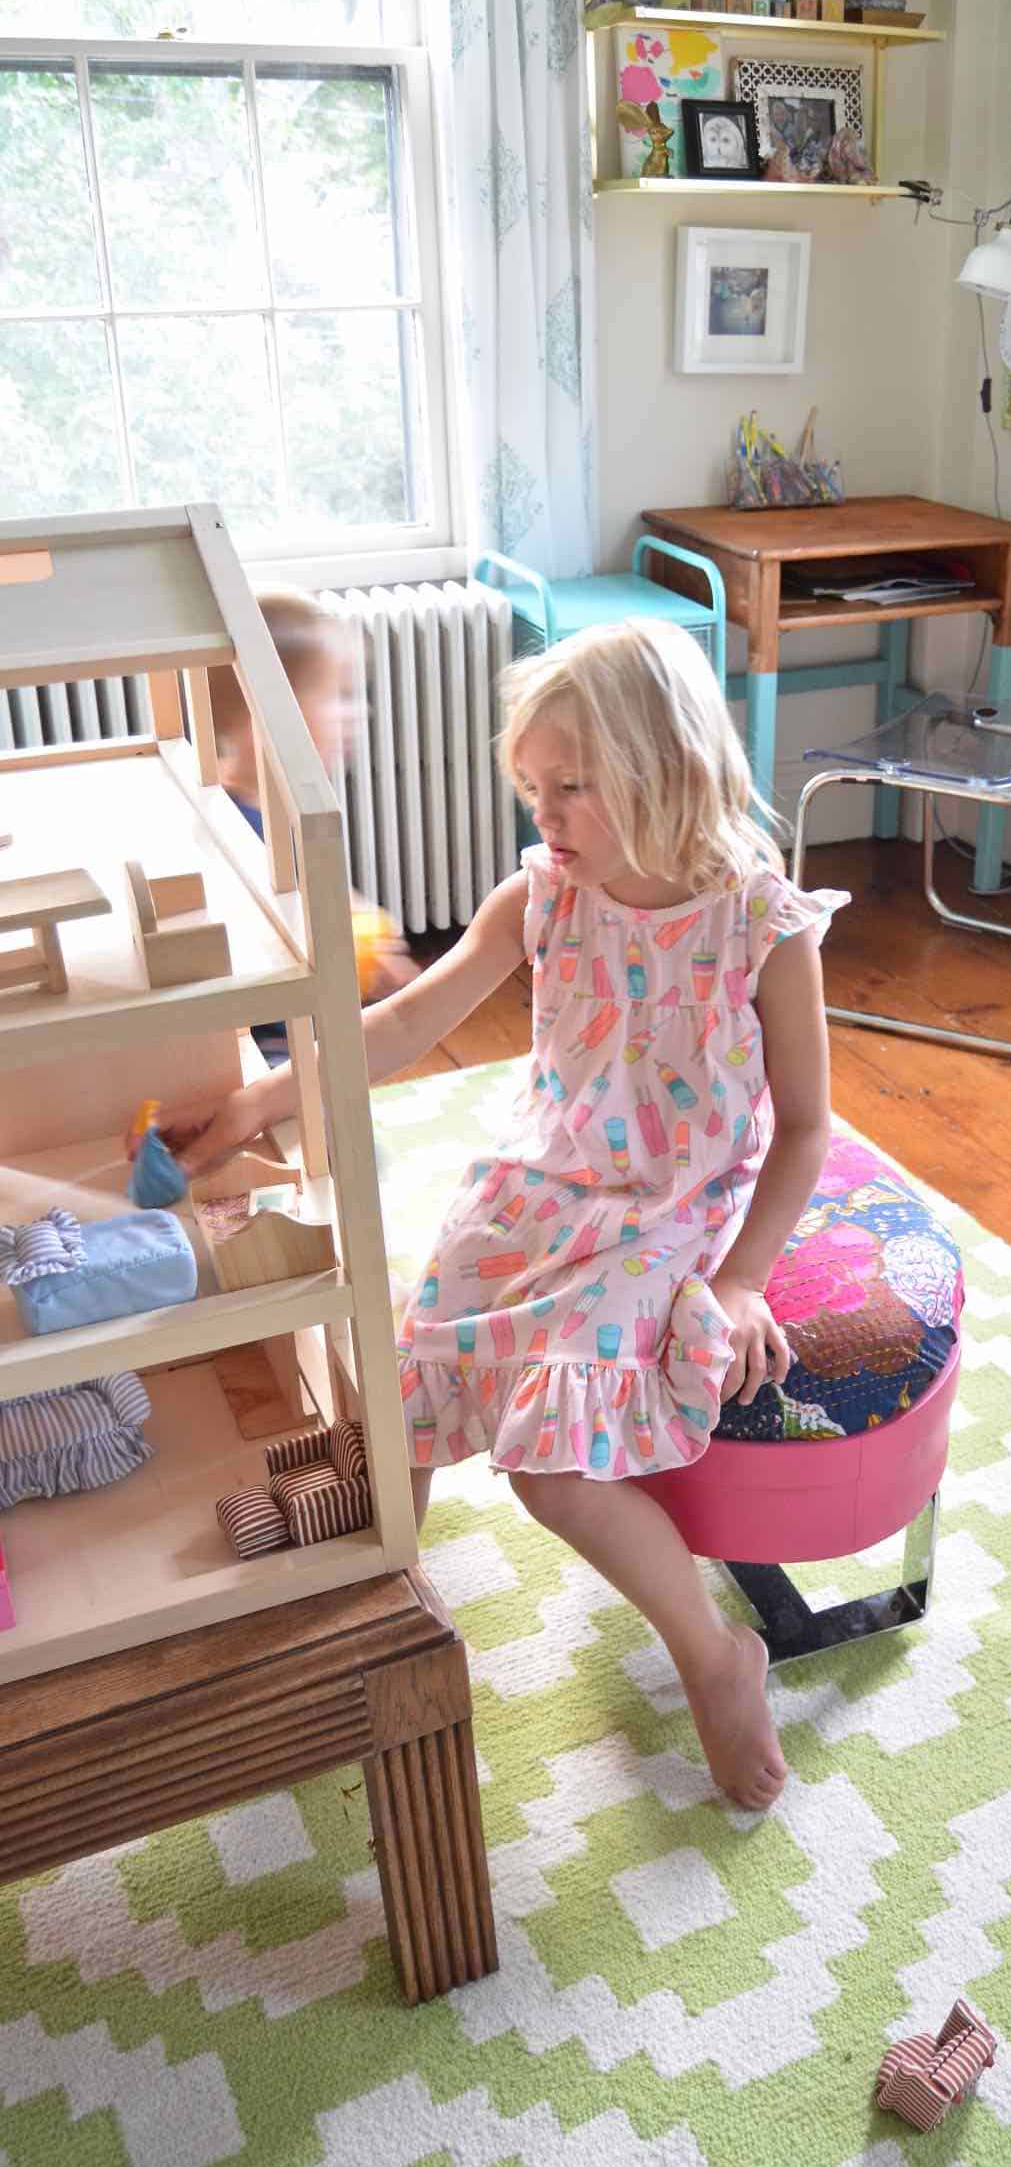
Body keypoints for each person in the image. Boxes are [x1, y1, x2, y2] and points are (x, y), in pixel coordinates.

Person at [156, 620, 847, 1812]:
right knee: (408, 1378)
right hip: (543, 1177)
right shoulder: (539, 895)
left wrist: (740, 1279)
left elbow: (802, 1130)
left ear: (668, 767)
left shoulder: (763, 924)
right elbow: (403, 1025)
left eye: (571, 786)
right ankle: (377, 1619)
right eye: (534, 788)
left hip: (671, 1206)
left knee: (550, 1468)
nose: (547, 815)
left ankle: (712, 1653)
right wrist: (262, 1095)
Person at [208, 587, 415, 1054]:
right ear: (261, 712)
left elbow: (318, 892)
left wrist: (359, 921)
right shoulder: (234, 828)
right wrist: (344, 955)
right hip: (260, 1045)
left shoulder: (286, 808)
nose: (356, 712)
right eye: (337, 695)